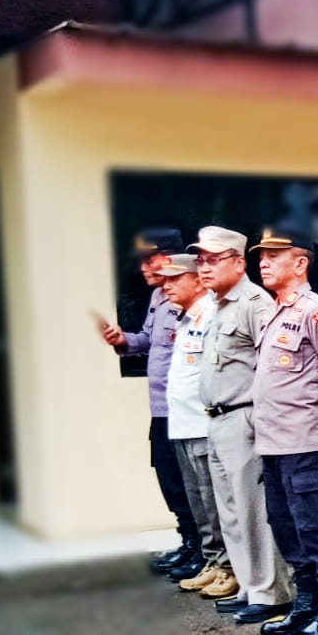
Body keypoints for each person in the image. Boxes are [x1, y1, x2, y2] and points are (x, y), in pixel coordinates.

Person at [251, 220, 318, 635]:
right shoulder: (273, 313)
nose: (263, 263)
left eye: (273, 256)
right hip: (273, 444)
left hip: (306, 441)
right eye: (261, 256)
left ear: (300, 263)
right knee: (288, 528)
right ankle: (308, 603)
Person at [193, 225, 295, 625]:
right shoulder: (218, 305)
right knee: (231, 513)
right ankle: (250, 586)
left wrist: (262, 420)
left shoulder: (255, 303)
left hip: (244, 416)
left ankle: (271, 592)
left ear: (238, 263)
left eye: (213, 260)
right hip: (218, 419)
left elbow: (273, 368)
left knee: (254, 510)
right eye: (200, 260)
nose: (204, 267)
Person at [101, 228, 199, 578]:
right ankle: (189, 541)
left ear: (170, 257)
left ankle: (203, 550)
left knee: (190, 485)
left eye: (149, 259)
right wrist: (122, 341)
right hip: (161, 410)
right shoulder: (159, 296)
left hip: (185, 412)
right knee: (169, 479)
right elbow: (147, 340)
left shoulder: (190, 297)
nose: (143, 267)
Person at [156, 255, 235, 599]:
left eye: (175, 279)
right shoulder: (187, 316)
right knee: (199, 502)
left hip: (203, 424)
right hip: (183, 424)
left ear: (198, 281)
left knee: (216, 504)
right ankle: (214, 561)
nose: (166, 286)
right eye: (164, 280)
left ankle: (229, 566)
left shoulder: (212, 314)